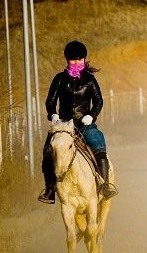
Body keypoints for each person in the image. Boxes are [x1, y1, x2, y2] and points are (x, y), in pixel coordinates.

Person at [39, 41, 117, 204]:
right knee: (48, 152)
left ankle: (105, 185)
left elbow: (98, 101)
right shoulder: (59, 79)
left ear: (84, 59)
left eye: (80, 59)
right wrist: (53, 115)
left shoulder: (90, 79)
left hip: (85, 125)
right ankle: (49, 189)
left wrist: (91, 116)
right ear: (67, 60)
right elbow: (50, 101)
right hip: (63, 126)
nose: (77, 62)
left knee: (98, 142)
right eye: (73, 60)